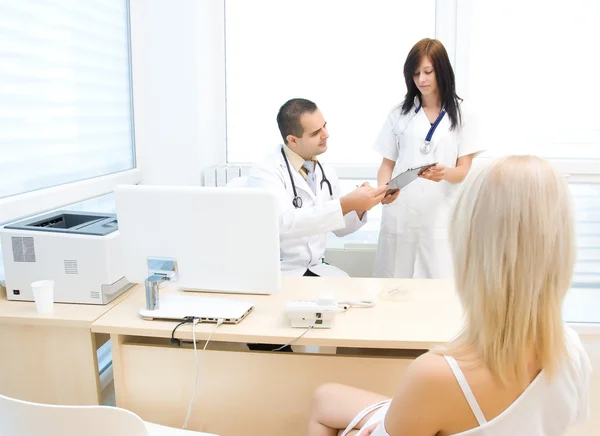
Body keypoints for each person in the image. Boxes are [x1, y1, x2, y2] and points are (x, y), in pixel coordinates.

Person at [307, 155, 592, 436]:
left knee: (325, 407)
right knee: (327, 397)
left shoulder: (436, 376)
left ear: (468, 242)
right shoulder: (571, 352)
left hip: (436, 404)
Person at [373, 38, 484, 278]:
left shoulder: (465, 115)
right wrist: (384, 189)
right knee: (394, 283)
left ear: (441, 71)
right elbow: (387, 164)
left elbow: (463, 170)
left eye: (427, 72)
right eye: (415, 74)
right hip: (400, 212)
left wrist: (444, 173)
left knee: (439, 284)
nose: (421, 80)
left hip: (440, 214)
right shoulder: (399, 114)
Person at [249, 98, 387, 277]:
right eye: (315, 133)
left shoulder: (325, 170)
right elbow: (284, 223)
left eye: (324, 126)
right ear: (292, 140)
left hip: (317, 268)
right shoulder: (266, 171)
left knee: (351, 291)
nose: (326, 134)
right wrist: (345, 203)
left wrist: (359, 206)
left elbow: (340, 229)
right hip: (281, 271)